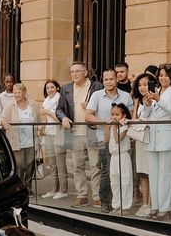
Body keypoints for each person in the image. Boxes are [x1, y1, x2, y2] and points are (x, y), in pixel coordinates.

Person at [85, 68, 134, 212]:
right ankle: (107, 201)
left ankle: (123, 204)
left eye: (111, 79)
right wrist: (105, 123)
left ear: (117, 79)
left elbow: (130, 116)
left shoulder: (125, 96)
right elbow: (88, 115)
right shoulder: (96, 95)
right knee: (107, 171)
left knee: (123, 174)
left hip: (123, 139)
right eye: (105, 79)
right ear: (102, 80)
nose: (108, 82)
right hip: (104, 138)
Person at [56, 61, 103, 206]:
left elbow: (105, 106)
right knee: (77, 166)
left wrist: (91, 106)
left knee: (96, 165)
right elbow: (59, 109)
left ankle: (97, 197)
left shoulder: (97, 86)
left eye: (77, 71)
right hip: (75, 133)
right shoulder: (66, 89)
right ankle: (82, 196)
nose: (74, 74)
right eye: (71, 72)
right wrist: (63, 117)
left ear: (85, 72)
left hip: (93, 131)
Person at [141, 64, 171, 220]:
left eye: (166, 75)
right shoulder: (156, 91)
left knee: (165, 174)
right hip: (153, 137)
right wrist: (146, 104)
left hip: (167, 137)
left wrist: (159, 100)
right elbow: (145, 114)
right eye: (161, 75)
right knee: (153, 173)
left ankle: (165, 208)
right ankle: (155, 206)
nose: (163, 78)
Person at [0, 83, 39, 193]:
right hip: (17, 141)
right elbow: (0, 118)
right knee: (20, 165)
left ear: (24, 93)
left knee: (30, 164)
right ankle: (20, 187)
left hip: (31, 140)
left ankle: (28, 186)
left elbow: (39, 121)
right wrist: (2, 121)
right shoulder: (10, 106)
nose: (16, 95)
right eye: (15, 92)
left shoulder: (34, 104)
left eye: (19, 92)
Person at [131, 73, 157, 217]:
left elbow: (148, 117)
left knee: (151, 171)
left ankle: (153, 204)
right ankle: (145, 203)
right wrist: (135, 105)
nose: (142, 87)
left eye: (145, 84)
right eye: (139, 84)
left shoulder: (154, 100)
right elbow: (135, 120)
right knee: (142, 173)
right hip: (140, 139)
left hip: (151, 138)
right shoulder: (138, 100)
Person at [40, 79, 68, 200]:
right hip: (49, 133)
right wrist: (41, 128)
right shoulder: (46, 101)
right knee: (52, 163)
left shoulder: (60, 99)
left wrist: (49, 113)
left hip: (59, 133)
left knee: (60, 163)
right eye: (47, 88)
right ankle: (54, 189)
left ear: (57, 88)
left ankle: (63, 190)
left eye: (52, 87)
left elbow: (61, 119)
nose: (49, 90)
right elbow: (45, 118)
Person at [106, 103, 133, 214]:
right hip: (114, 157)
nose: (114, 117)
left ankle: (125, 206)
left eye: (117, 114)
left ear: (123, 115)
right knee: (115, 181)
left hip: (123, 156)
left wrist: (113, 127)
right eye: (112, 114)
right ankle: (116, 205)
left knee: (125, 180)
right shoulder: (112, 127)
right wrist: (107, 127)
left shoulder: (125, 127)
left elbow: (118, 140)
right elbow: (106, 139)